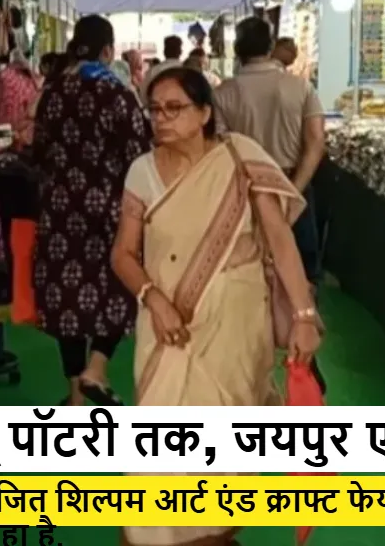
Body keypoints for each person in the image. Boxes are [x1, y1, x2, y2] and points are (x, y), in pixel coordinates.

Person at [112, 67, 322, 546]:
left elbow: (280, 240)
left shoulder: (240, 158)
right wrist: (153, 298)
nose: (161, 118)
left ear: (205, 112)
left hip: (235, 326)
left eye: (174, 108)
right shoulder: (141, 172)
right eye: (154, 109)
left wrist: (304, 315)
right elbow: (122, 254)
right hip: (167, 327)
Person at [33, 15, 152, 406]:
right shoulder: (117, 94)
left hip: (59, 210)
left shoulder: (52, 93)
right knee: (119, 287)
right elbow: (139, 153)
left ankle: (75, 396)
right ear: (108, 50)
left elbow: (38, 151)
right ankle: (96, 367)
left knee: (67, 299)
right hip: (110, 210)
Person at [214, 17, 327, 282]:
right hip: (293, 180)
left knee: (249, 270)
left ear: (238, 50)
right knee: (300, 272)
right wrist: (295, 190)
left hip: (245, 188)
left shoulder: (222, 93)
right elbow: (316, 142)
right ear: (270, 46)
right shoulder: (300, 87)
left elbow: (220, 147)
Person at [0, 49, 42, 149]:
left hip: (4, 126)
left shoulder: (3, 75)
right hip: (23, 129)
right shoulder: (32, 80)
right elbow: (31, 110)